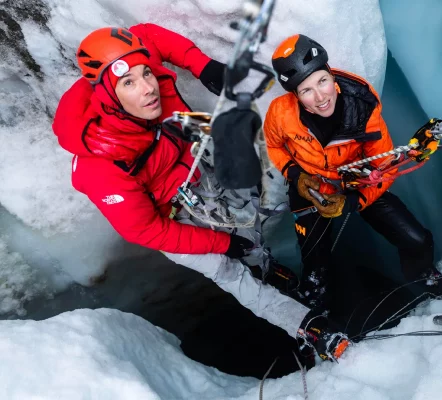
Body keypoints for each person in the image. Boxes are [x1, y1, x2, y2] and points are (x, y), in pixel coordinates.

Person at [52, 25, 317, 354]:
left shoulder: (123, 57)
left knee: (248, 225)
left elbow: (149, 35)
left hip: (189, 162)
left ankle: (264, 264)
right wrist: (221, 243)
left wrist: (201, 64)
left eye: (146, 73)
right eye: (129, 83)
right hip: (166, 219)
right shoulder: (102, 168)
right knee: (227, 270)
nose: (149, 88)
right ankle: (308, 327)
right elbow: (148, 230)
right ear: (108, 95)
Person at [264, 34, 442, 314]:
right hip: (308, 185)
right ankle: (317, 302)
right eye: (306, 90)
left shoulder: (362, 105)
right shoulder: (281, 114)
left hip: (357, 182)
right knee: (315, 266)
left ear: (331, 75)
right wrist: (295, 175)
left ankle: (420, 272)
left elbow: (384, 167)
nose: (320, 97)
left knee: (417, 239)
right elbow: (274, 145)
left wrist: (354, 201)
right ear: (295, 95)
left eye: (322, 81)